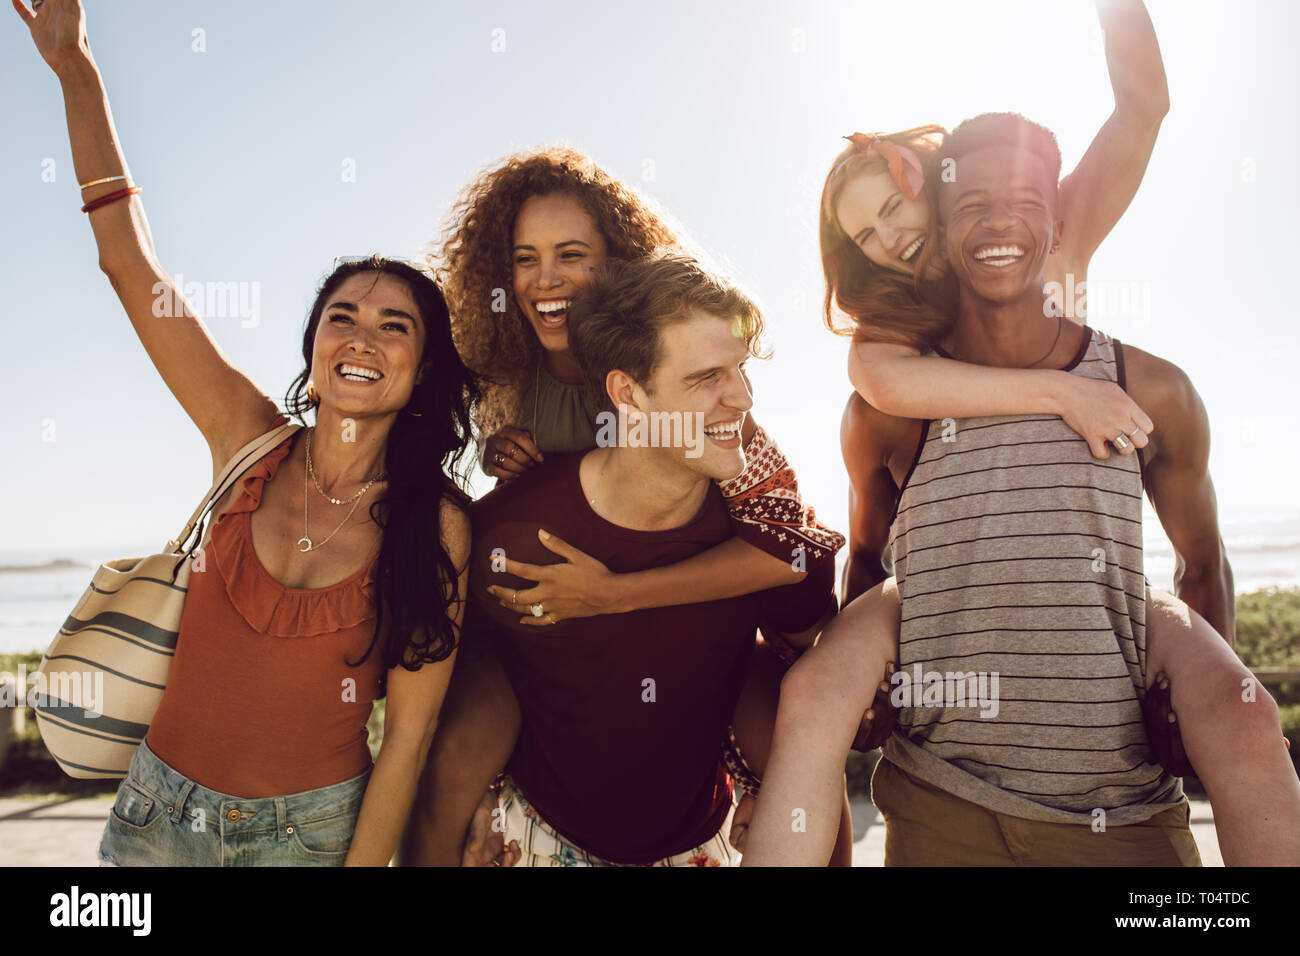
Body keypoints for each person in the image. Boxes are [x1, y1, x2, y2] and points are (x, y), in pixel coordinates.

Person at [745, 111, 1300, 866]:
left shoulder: (1093, 325)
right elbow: (869, 549)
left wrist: (1189, 708)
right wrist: (1061, 395)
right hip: (932, 607)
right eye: (865, 238)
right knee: (811, 695)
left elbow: (1142, 108)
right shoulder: (890, 379)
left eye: (891, 211)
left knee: (1244, 716)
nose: (889, 241)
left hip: (1109, 604)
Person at [14, 0, 477, 866]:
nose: (363, 337)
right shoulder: (247, 439)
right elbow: (128, 263)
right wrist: (78, 71)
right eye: (342, 316)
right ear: (314, 344)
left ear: (423, 369)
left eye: (395, 325)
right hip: (155, 818)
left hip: (306, 838)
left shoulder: (438, 524)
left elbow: (408, 743)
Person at [401, 148, 850, 865]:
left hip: (670, 631)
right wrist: (498, 454)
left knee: (786, 725)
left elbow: (785, 541)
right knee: (460, 747)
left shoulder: (703, 402)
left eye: (570, 254)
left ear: (617, 268)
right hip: (554, 648)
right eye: (525, 258)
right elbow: (502, 500)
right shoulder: (517, 381)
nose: (546, 278)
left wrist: (616, 595)